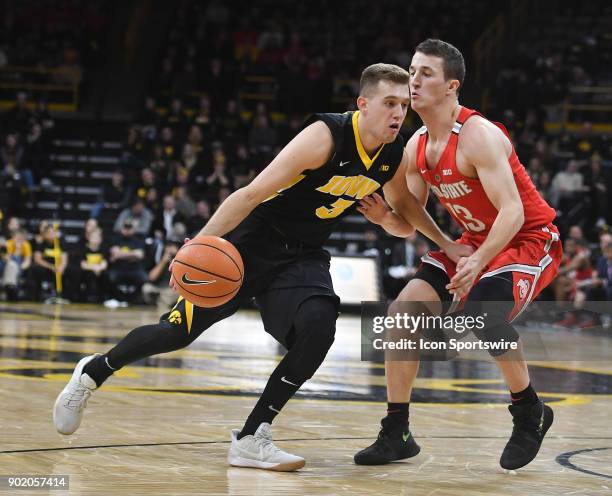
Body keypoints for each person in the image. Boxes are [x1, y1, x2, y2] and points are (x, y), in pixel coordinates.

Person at [53, 63, 469, 472]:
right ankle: (94, 371)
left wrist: (398, 225)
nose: (399, 113)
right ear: (363, 104)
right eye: (389, 103)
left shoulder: (392, 156)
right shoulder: (325, 136)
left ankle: (252, 436)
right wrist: (199, 244)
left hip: (303, 255)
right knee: (176, 332)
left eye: (404, 106)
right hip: (251, 244)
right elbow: (250, 194)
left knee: (319, 328)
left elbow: (405, 216)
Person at [354, 39, 563, 471]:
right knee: (402, 314)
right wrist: (384, 219)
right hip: (473, 242)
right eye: (412, 71)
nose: (413, 80)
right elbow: (407, 218)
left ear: (451, 87)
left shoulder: (478, 136)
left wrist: (477, 261)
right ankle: (397, 430)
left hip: (525, 239)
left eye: (425, 74)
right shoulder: (416, 145)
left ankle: (529, 413)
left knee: (486, 313)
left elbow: (513, 211)